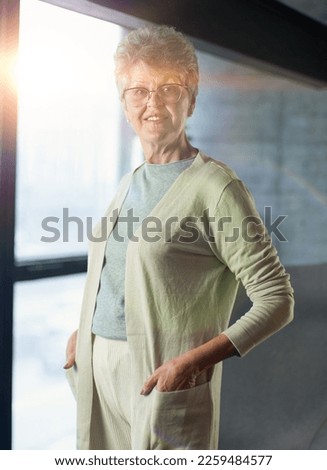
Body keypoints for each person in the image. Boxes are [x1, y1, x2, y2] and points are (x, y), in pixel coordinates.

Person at [64, 25, 294, 450]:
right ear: (124, 102)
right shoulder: (131, 181)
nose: (152, 104)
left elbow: (277, 300)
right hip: (99, 369)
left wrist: (191, 363)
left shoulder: (215, 186)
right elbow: (121, 270)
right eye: (138, 91)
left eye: (168, 88)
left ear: (191, 99)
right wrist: (88, 328)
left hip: (160, 375)